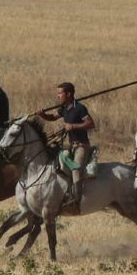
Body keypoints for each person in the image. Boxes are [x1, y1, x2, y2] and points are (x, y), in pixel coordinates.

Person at [37, 82, 95, 211]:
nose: (58, 96)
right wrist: (43, 115)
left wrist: (73, 126)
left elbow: (91, 123)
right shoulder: (64, 108)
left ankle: (76, 201)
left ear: (68, 94)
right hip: (70, 146)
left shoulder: (80, 108)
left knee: (76, 168)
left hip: (81, 146)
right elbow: (53, 117)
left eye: (60, 93)